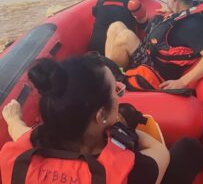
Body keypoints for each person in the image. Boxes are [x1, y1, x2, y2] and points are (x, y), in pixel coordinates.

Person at [0, 54, 169, 184]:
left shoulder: (20, 161)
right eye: (116, 91)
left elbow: (20, 132)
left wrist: (14, 119)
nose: (119, 97)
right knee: (188, 149)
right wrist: (124, 133)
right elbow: (161, 152)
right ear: (101, 115)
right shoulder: (130, 171)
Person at [105, 0, 203, 90]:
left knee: (126, 37)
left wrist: (182, 82)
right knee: (115, 26)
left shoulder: (189, 26)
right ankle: (107, 71)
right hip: (152, 56)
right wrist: (171, 11)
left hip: (156, 72)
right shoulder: (182, 11)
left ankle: (109, 80)